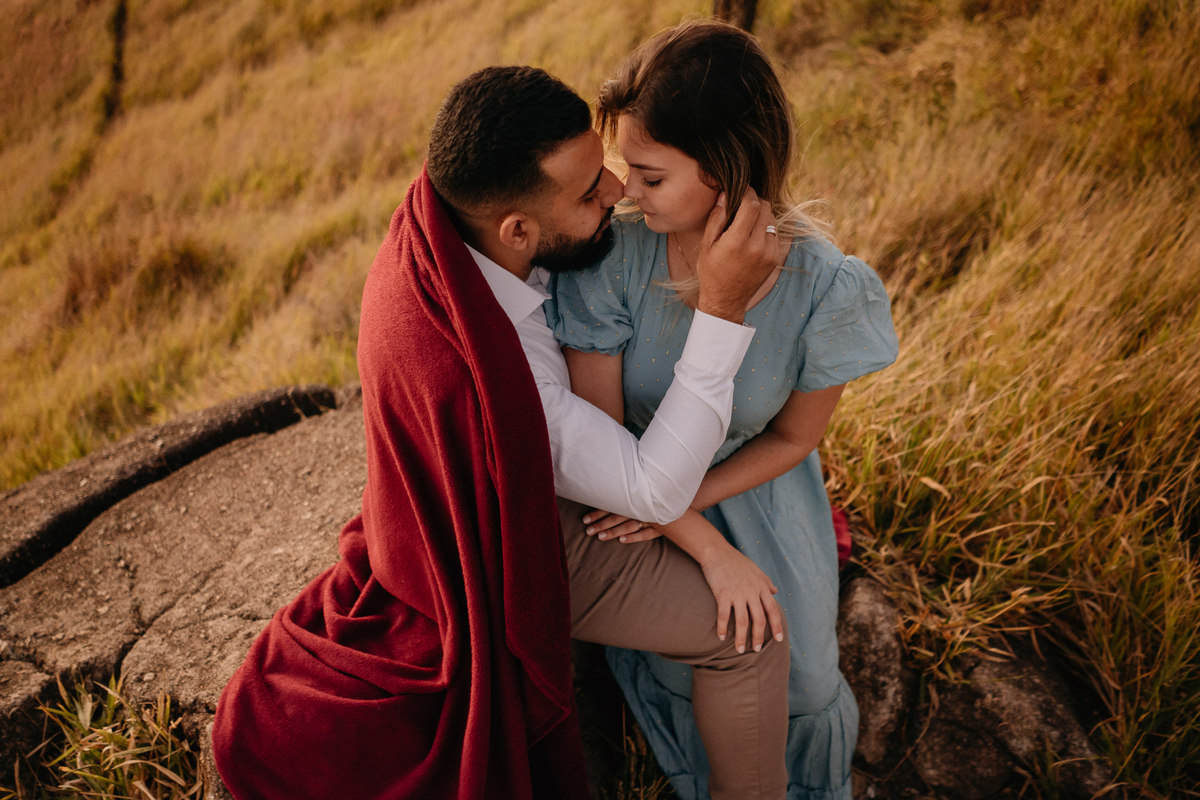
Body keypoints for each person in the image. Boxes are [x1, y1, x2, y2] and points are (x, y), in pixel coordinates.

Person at [212, 64, 794, 800]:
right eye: (590, 193)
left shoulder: (448, 224)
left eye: (605, 168)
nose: (615, 192)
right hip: (516, 537)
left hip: (518, 480)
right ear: (518, 230)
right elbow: (653, 486)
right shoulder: (499, 381)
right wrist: (721, 309)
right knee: (750, 641)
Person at [550, 20, 900, 800]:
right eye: (624, 169)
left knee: (804, 684)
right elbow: (603, 437)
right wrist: (699, 543)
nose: (622, 195)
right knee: (704, 654)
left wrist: (693, 506)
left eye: (648, 176)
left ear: (725, 169)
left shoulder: (827, 286)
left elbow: (795, 436)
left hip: (751, 492)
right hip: (630, 491)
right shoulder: (612, 261)